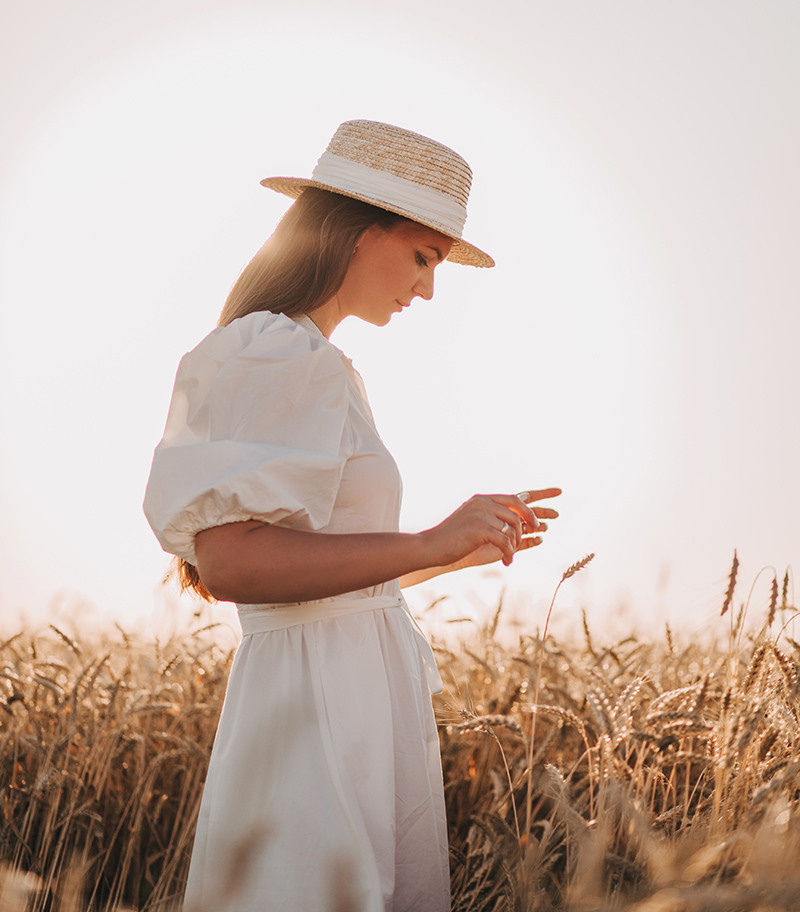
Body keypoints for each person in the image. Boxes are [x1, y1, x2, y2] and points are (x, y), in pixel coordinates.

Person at [143, 119, 560, 912]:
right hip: (312, 707)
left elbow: (333, 575)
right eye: (423, 256)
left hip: (358, 693)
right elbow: (232, 563)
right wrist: (427, 537)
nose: (429, 288)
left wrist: (454, 550)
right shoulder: (272, 350)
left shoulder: (321, 366)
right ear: (360, 235)